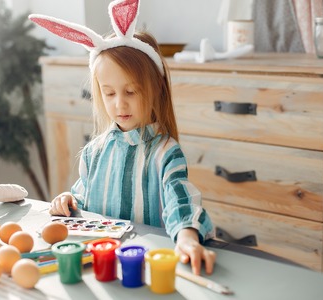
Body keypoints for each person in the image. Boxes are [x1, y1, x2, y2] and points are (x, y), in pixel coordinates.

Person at [29, 0, 216, 275]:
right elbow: (84, 202)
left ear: (155, 89)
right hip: (101, 265)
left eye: (131, 91)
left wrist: (187, 238)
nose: (120, 105)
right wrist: (69, 201)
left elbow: (180, 200)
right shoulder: (94, 152)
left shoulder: (166, 152)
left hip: (147, 266)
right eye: (109, 93)